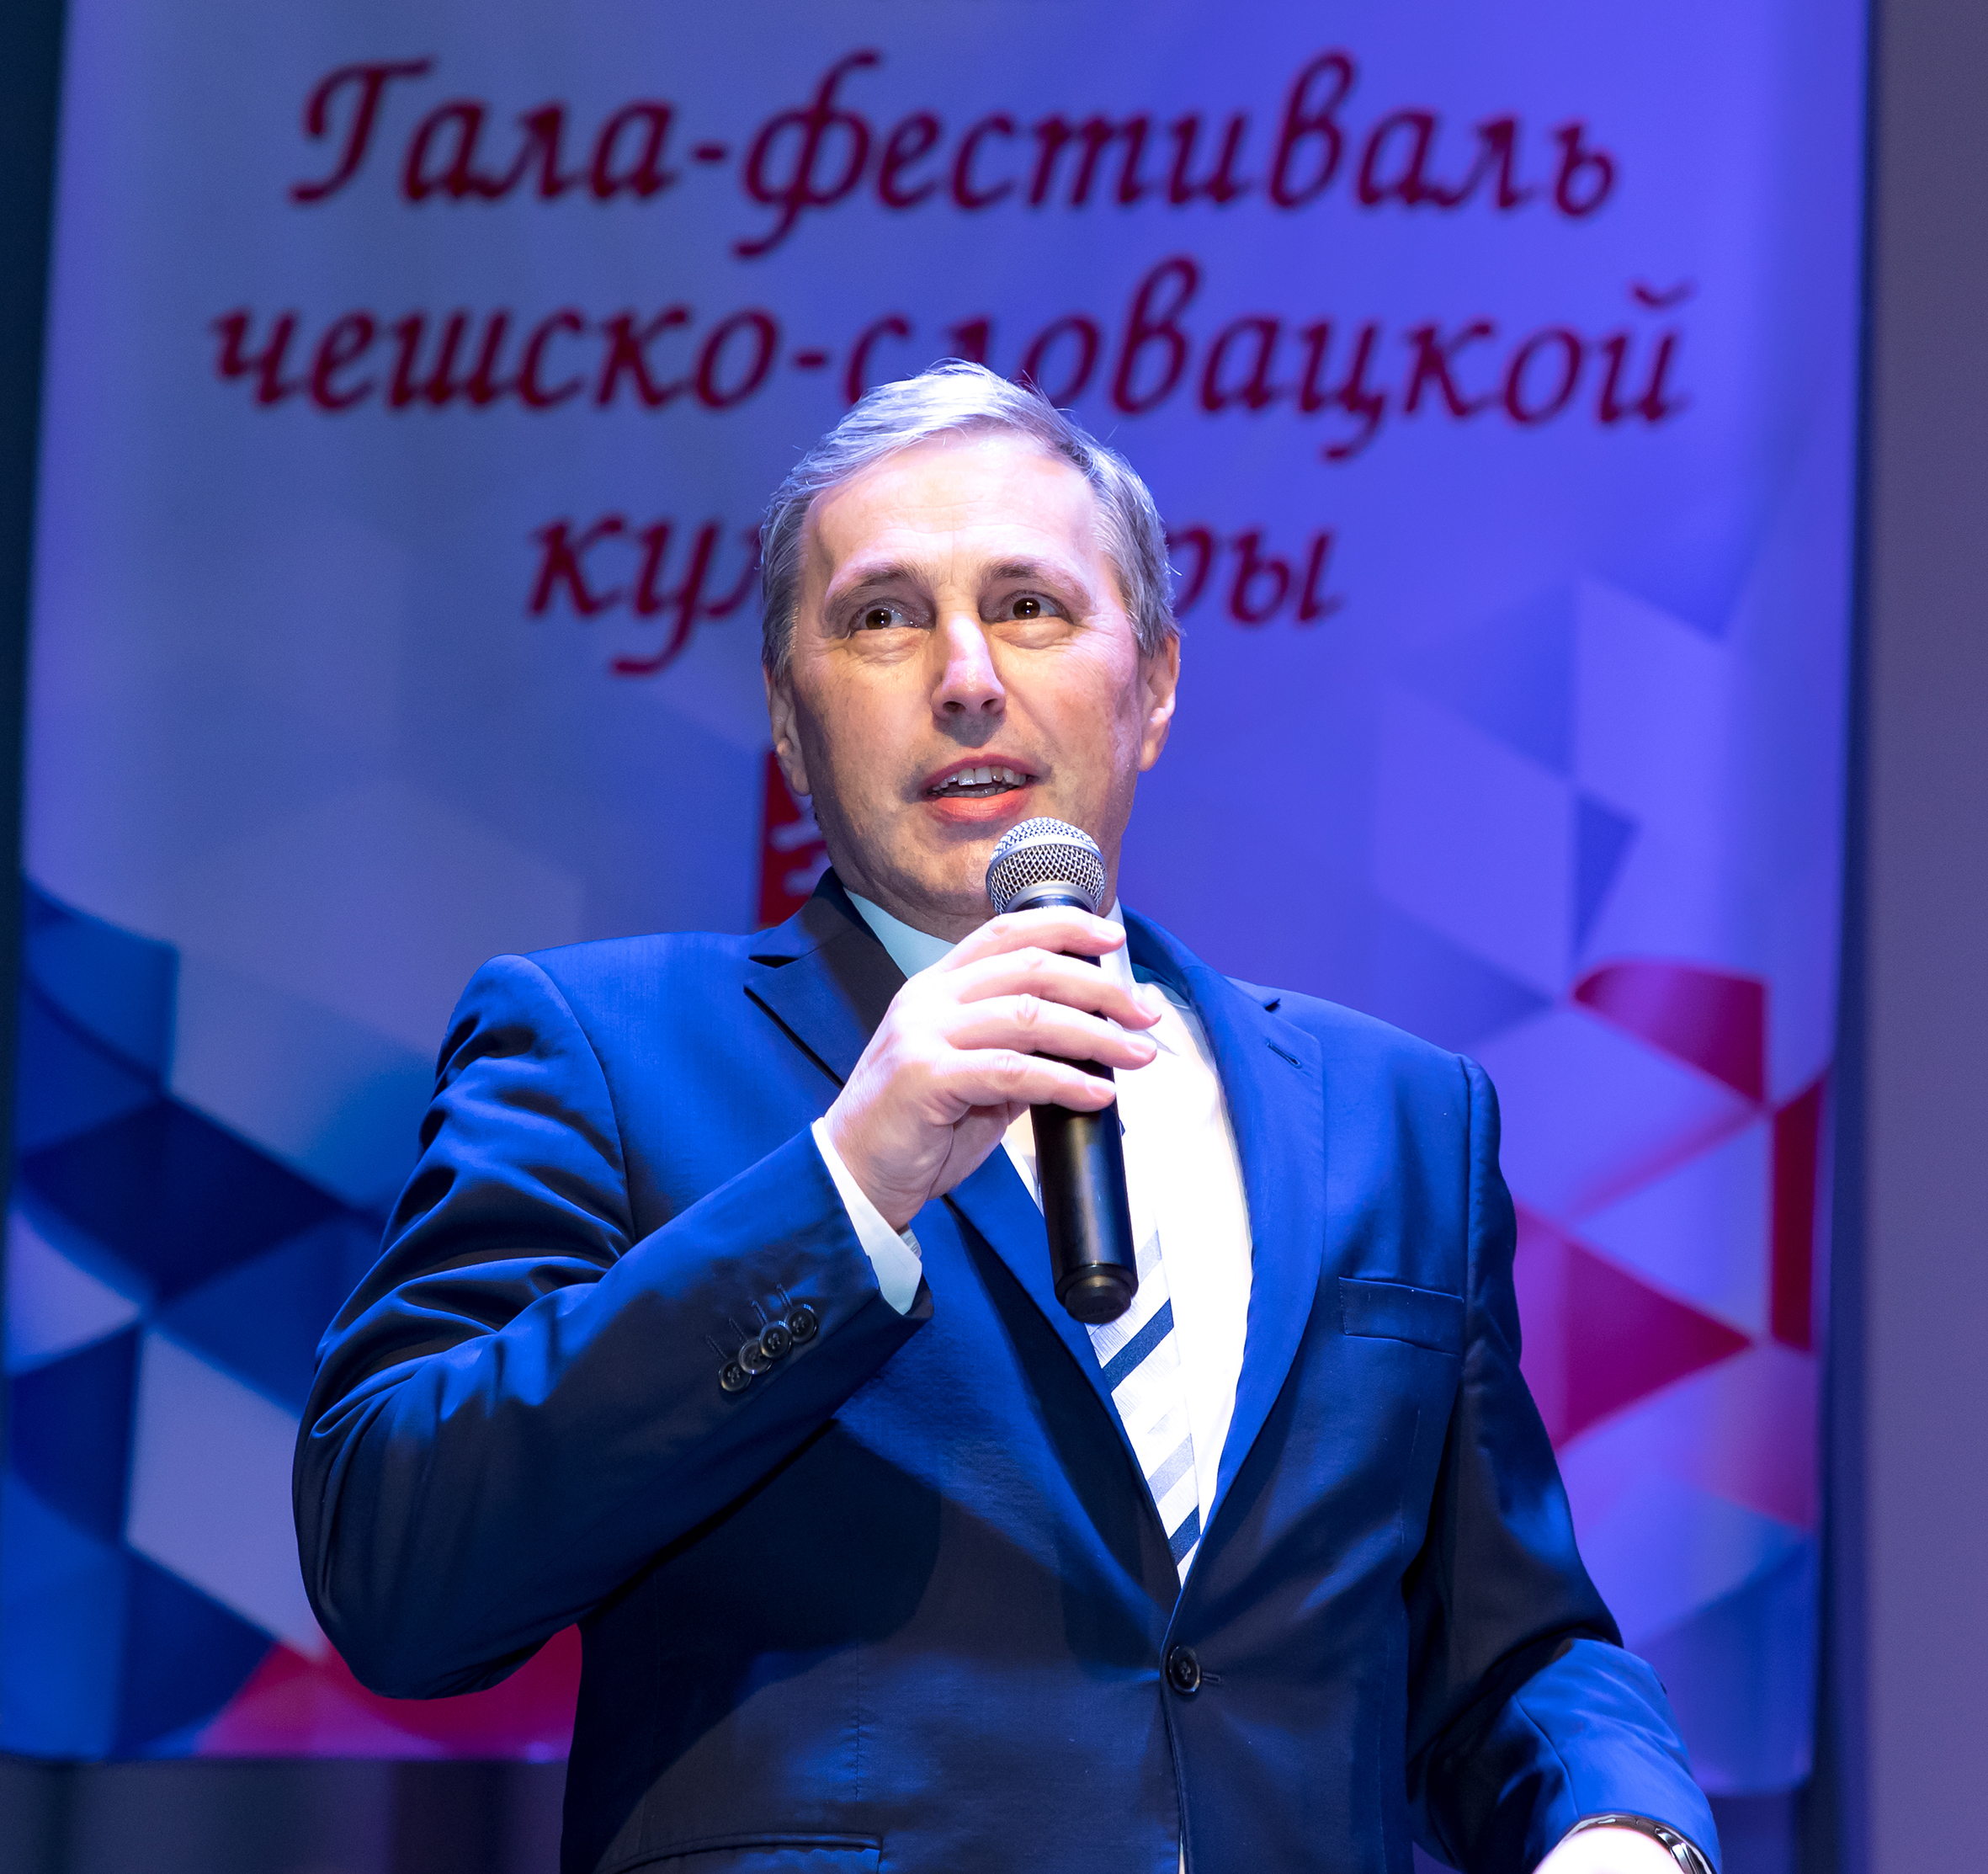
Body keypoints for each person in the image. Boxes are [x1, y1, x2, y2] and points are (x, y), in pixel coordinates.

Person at [295, 363, 1720, 1874]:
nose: (965, 675)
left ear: (1152, 683)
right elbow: (399, 1566)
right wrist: (849, 1184)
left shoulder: (1399, 1114)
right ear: (786, 720)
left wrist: (1617, 1823)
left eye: (1029, 606)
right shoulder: (604, 1047)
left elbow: (1510, 1647)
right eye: (881, 617)